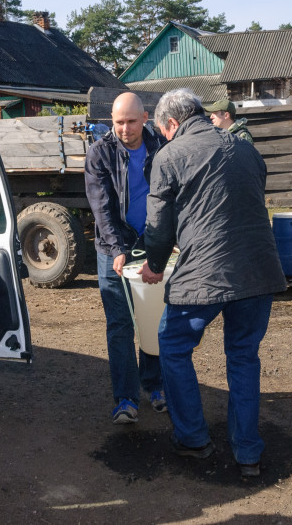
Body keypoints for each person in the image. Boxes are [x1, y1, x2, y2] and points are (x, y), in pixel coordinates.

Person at [139, 88, 285, 476]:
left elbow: (157, 225)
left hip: (204, 272)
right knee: (243, 357)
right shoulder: (245, 149)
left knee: (171, 346)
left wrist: (154, 264)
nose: (164, 137)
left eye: (162, 130)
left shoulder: (169, 155)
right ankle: (248, 453)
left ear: (172, 123)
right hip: (258, 271)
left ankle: (192, 438)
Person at [84, 92, 166, 424]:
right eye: (118, 122)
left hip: (151, 242)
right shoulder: (99, 153)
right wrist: (118, 249)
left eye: (131, 121)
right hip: (111, 248)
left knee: (153, 319)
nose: (125, 128)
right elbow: (101, 207)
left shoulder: (161, 146)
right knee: (119, 324)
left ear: (144, 118)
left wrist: (165, 241)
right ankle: (125, 399)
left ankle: (156, 385)